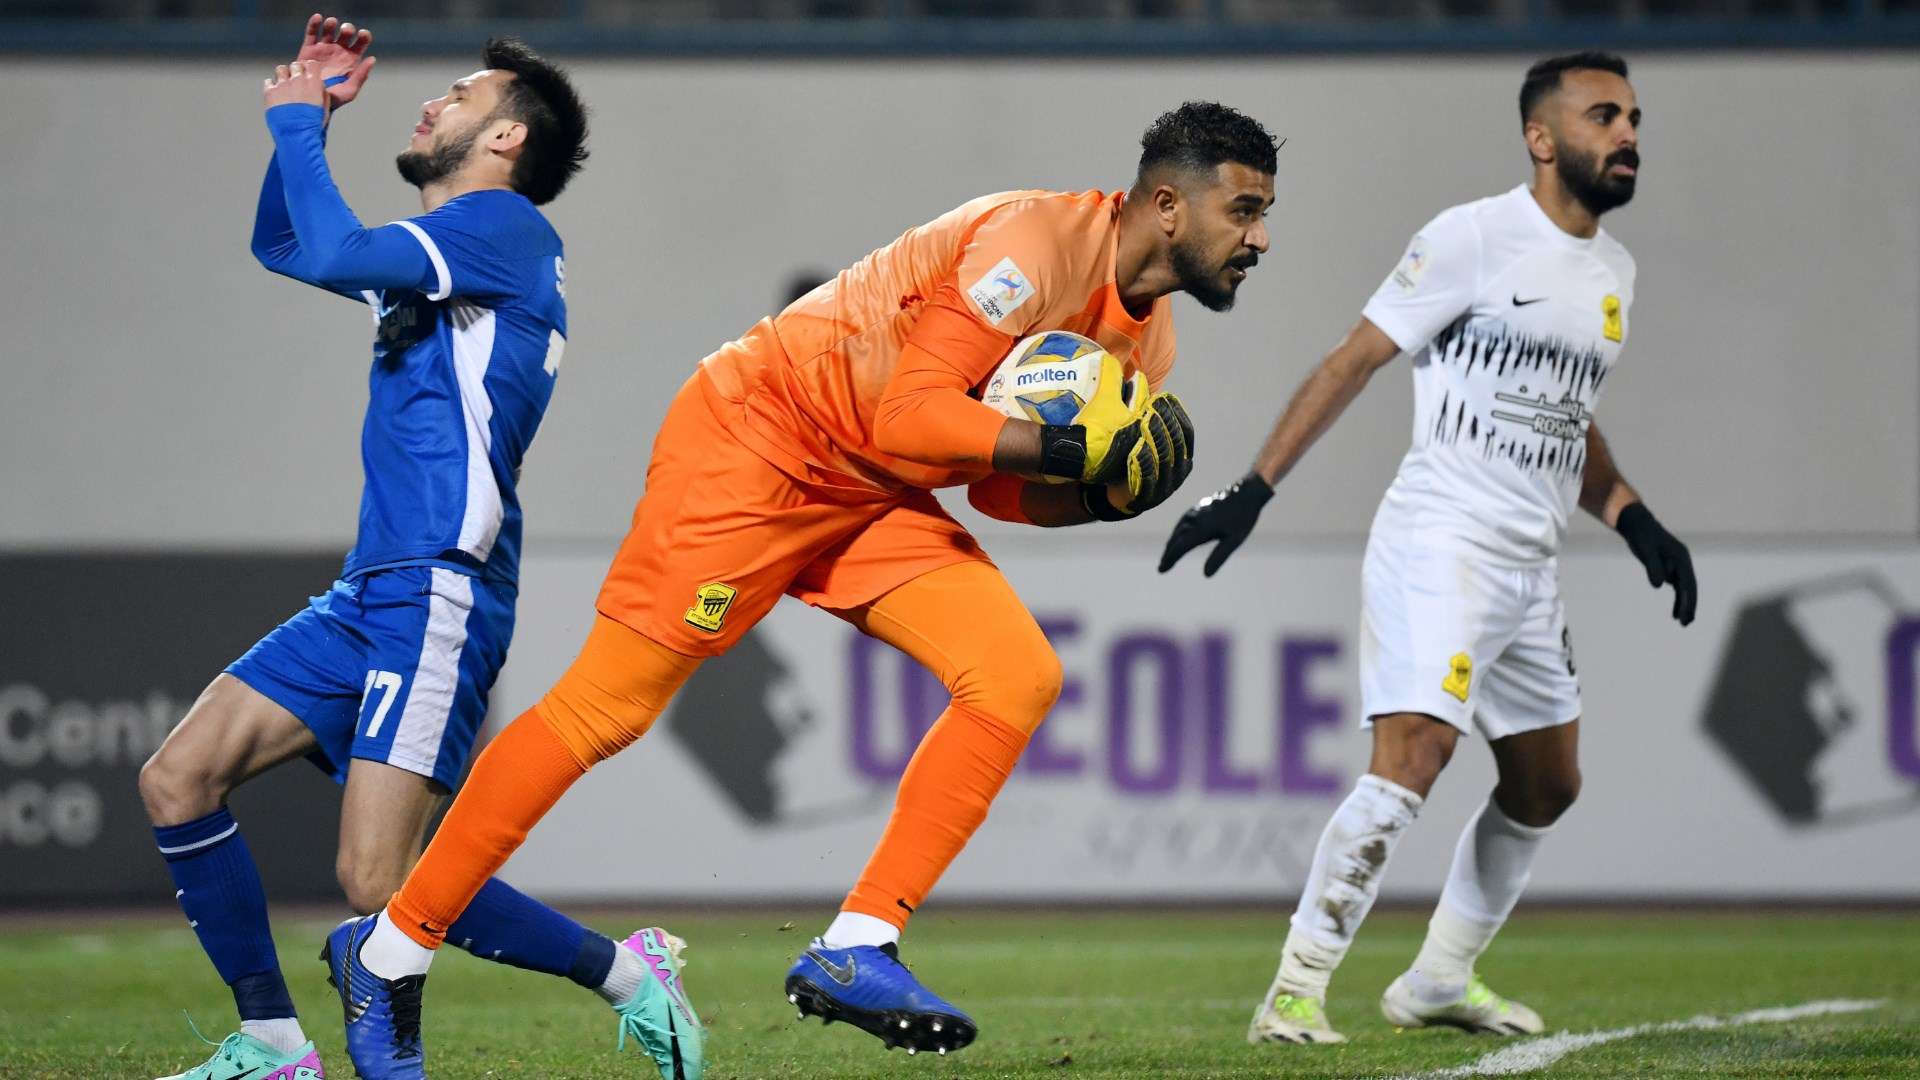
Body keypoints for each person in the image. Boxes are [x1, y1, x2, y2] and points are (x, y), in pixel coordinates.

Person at [321, 101, 1278, 1069]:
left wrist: (1104, 499)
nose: (1259, 239)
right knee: (604, 710)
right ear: (1166, 204)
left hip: (871, 491)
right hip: (757, 444)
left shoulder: (1144, 348)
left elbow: (995, 493)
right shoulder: (1033, 242)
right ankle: (392, 954)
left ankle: (857, 948)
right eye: (1242, 211)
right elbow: (912, 418)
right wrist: (1071, 446)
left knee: (1016, 675)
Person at [135, 16, 679, 1080]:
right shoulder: (446, 255)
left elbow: (329, 243)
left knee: (379, 887)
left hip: (440, 585)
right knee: (178, 778)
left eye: (463, 97)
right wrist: (309, 136)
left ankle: (626, 974)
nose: (433, 103)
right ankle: (274, 1044)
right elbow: (288, 245)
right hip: (369, 589)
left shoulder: (502, 230)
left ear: (507, 141)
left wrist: (300, 124)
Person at [1160, 53, 1697, 1045]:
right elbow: (1353, 359)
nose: (1627, 135)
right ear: (1543, 139)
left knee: (1548, 784)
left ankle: (1440, 978)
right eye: (1603, 116)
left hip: (1530, 569)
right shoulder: (1473, 238)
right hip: (1442, 541)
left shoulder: (1613, 276)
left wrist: (1631, 514)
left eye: (1633, 119)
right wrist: (1252, 489)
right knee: (1416, 755)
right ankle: (1296, 988)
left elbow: (1565, 419)